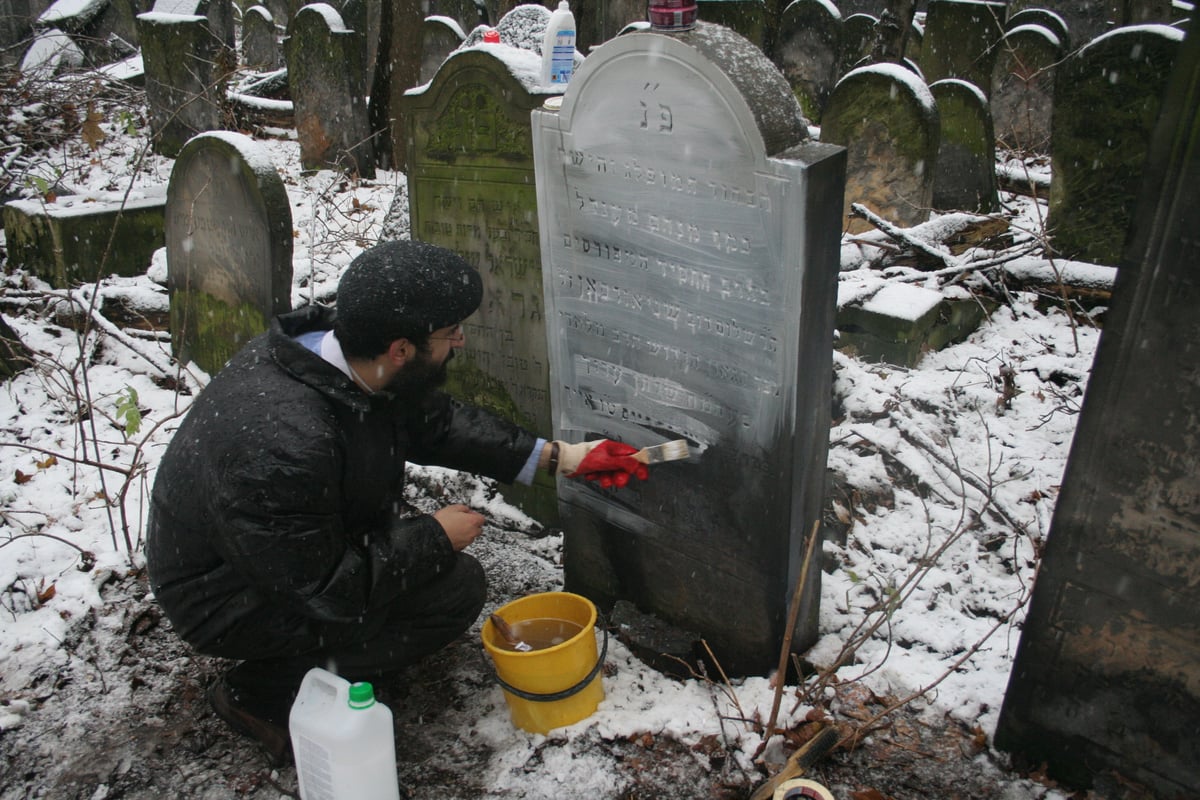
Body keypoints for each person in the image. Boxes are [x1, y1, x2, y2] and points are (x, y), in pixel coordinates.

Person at [145, 240, 648, 762]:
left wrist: (557, 457)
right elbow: (323, 586)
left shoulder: (349, 360)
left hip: (284, 550)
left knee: (437, 581)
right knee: (451, 594)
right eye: (450, 333)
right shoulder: (284, 441)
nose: (461, 340)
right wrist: (433, 537)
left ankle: (331, 661)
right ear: (402, 350)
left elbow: (436, 422)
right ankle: (264, 692)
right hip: (226, 595)